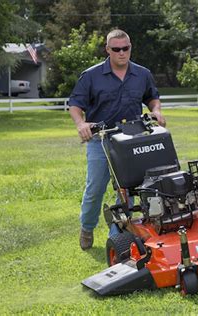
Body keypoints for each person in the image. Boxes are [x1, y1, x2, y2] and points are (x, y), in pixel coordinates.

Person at [69, 29, 165, 250]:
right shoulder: (91, 75)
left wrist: (157, 111)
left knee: (129, 189)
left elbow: (152, 98)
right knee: (95, 189)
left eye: (126, 48)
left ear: (130, 47)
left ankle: (120, 234)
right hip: (100, 141)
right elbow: (75, 105)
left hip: (132, 140)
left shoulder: (142, 74)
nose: (122, 53)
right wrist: (81, 124)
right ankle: (87, 227)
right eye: (116, 49)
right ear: (108, 50)